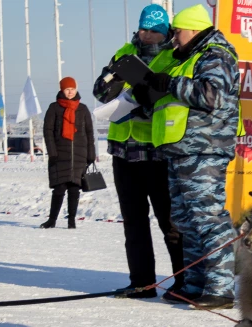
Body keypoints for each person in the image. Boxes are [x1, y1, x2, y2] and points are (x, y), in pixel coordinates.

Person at [140, 4, 242, 309]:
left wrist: (170, 84)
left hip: (204, 149)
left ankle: (221, 288)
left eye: (179, 33)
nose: (174, 39)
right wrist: (151, 96)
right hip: (180, 149)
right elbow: (177, 100)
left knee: (208, 217)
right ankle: (196, 284)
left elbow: (212, 95)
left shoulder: (216, 54)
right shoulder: (187, 57)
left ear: (194, 29)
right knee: (186, 220)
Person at [92, 4, 184, 298]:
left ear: (166, 31)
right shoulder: (124, 52)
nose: (148, 36)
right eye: (144, 29)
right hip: (123, 149)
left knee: (169, 221)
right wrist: (113, 83)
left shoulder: (174, 55)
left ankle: (184, 282)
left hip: (157, 150)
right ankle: (141, 282)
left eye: (155, 31)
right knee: (133, 220)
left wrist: (148, 96)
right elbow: (100, 87)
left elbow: (174, 95)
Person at [40, 77, 95, 230]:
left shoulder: (83, 109)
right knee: (59, 188)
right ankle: (52, 220)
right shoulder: (54, 108)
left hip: (79, 153)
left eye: (72, 89)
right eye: (67, 89)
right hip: (59, 154)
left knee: (74, 188)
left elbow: (89, 133)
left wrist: (91, 153)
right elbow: (48, 131)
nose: (70, 92)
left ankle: (71, 221)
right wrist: (52, 151)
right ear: (62, 90)